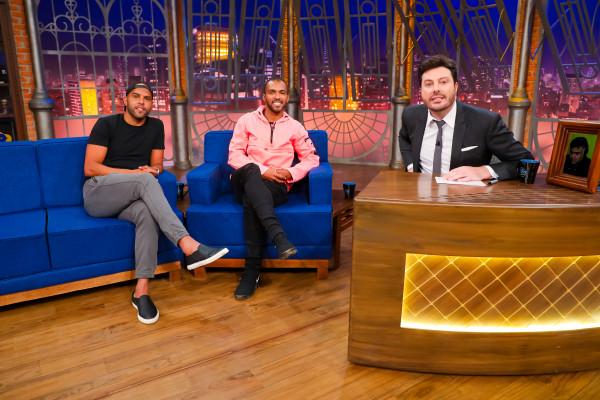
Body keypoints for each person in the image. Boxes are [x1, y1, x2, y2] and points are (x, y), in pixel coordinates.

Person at [83, 82, 228, 324]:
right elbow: (91, 168)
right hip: (99, 194)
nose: (142, 102)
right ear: (125, 100)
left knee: (146, 214)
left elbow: (157, 165)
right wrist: (137, 175)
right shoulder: (106, 124)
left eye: (147, 98)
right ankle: (188, 245)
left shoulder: (156, 126)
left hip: (133, 196)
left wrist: (153, 170)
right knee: (144, 181)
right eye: (136, 97)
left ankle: (141, 292)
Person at [228, 78, 319, 300]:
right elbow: (235, 156)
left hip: (276, 186)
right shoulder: (246, 121)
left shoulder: (295, 127)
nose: (277, 96)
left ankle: (251, 273)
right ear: (264, 96)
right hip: (244, 178)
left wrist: (292, 173)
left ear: (287, 97)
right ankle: (279, 237)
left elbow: (312, 158)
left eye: (281, 93)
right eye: (272, 92)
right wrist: (263, 170)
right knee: (250, 171)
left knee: (253, 198)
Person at [399, 54, 533, 181]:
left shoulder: (485, 122)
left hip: (462, 198)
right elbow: (404, 139)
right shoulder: (411, 115)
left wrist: (483, 171)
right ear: (421, 91)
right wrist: (411, 166)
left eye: (443, 82)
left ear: (456, 87)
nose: (436, 89)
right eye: (428, 84)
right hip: (418, 196)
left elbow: (525, 161)